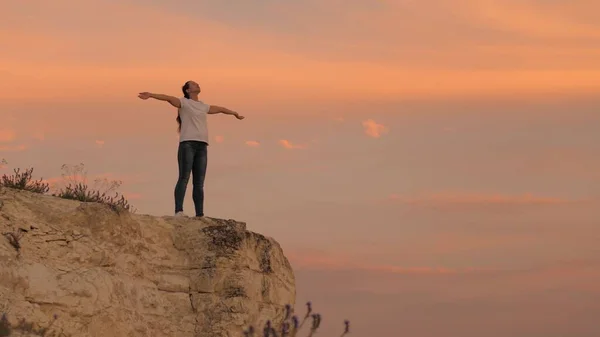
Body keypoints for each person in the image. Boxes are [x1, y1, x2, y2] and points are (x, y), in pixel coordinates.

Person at [138, 80, 245, 218]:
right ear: (187, 90)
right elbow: (168, 98)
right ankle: (179, 211)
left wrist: (234, 113)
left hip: (202, 145)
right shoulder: (184, 103)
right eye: (194, 84)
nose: (198, 84)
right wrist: (151, 95)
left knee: (199, 183)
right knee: (184, 177)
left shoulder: (203, 106)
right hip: (187, 144)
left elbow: (219, 109)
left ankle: (200, 215)